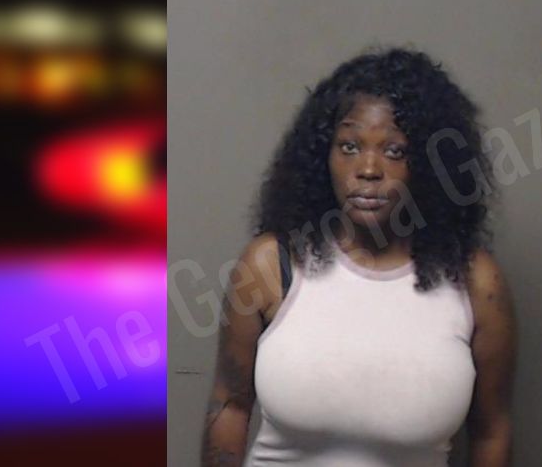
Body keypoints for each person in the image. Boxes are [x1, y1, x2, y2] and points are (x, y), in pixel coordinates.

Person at [201, 47, 515, 466]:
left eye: (395, 151)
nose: (368, 168)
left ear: (430, 164)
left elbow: (492, 432)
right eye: (349, 146)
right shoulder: (269, 265)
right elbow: (230, 406)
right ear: (323, 157)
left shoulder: (476, 282)